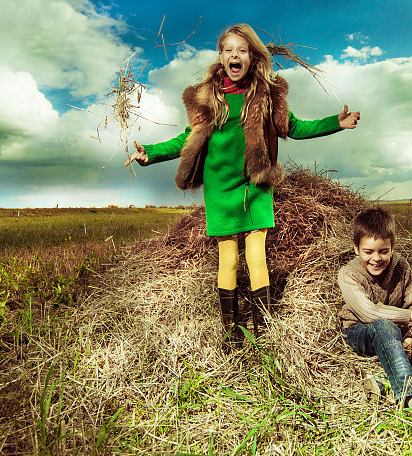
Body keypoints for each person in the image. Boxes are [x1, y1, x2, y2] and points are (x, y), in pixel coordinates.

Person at [127, 23, 360, 350]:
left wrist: (336, 122)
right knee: (228, 261)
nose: (235, 55)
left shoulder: (267, 95)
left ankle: (261, 330)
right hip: (221, 190)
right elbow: (187, 139)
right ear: (221, 56)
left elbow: (295, 127)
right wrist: (149, 153)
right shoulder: (209, 98)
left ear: (252, 57)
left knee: (255, 257)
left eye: (242, 50)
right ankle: (231, 332)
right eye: (228, 50)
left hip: (256, 186)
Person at [338, 207, 412, 438]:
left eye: (383, 251)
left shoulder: (401, 267)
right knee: (384, 326)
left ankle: (386, 379)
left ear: (392, 248)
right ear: (356, 249)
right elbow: (368, 312)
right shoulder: (348, 274)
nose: (376, 258)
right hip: (362, 333)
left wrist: (411, 336)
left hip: (397, 337)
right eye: (368, 251)